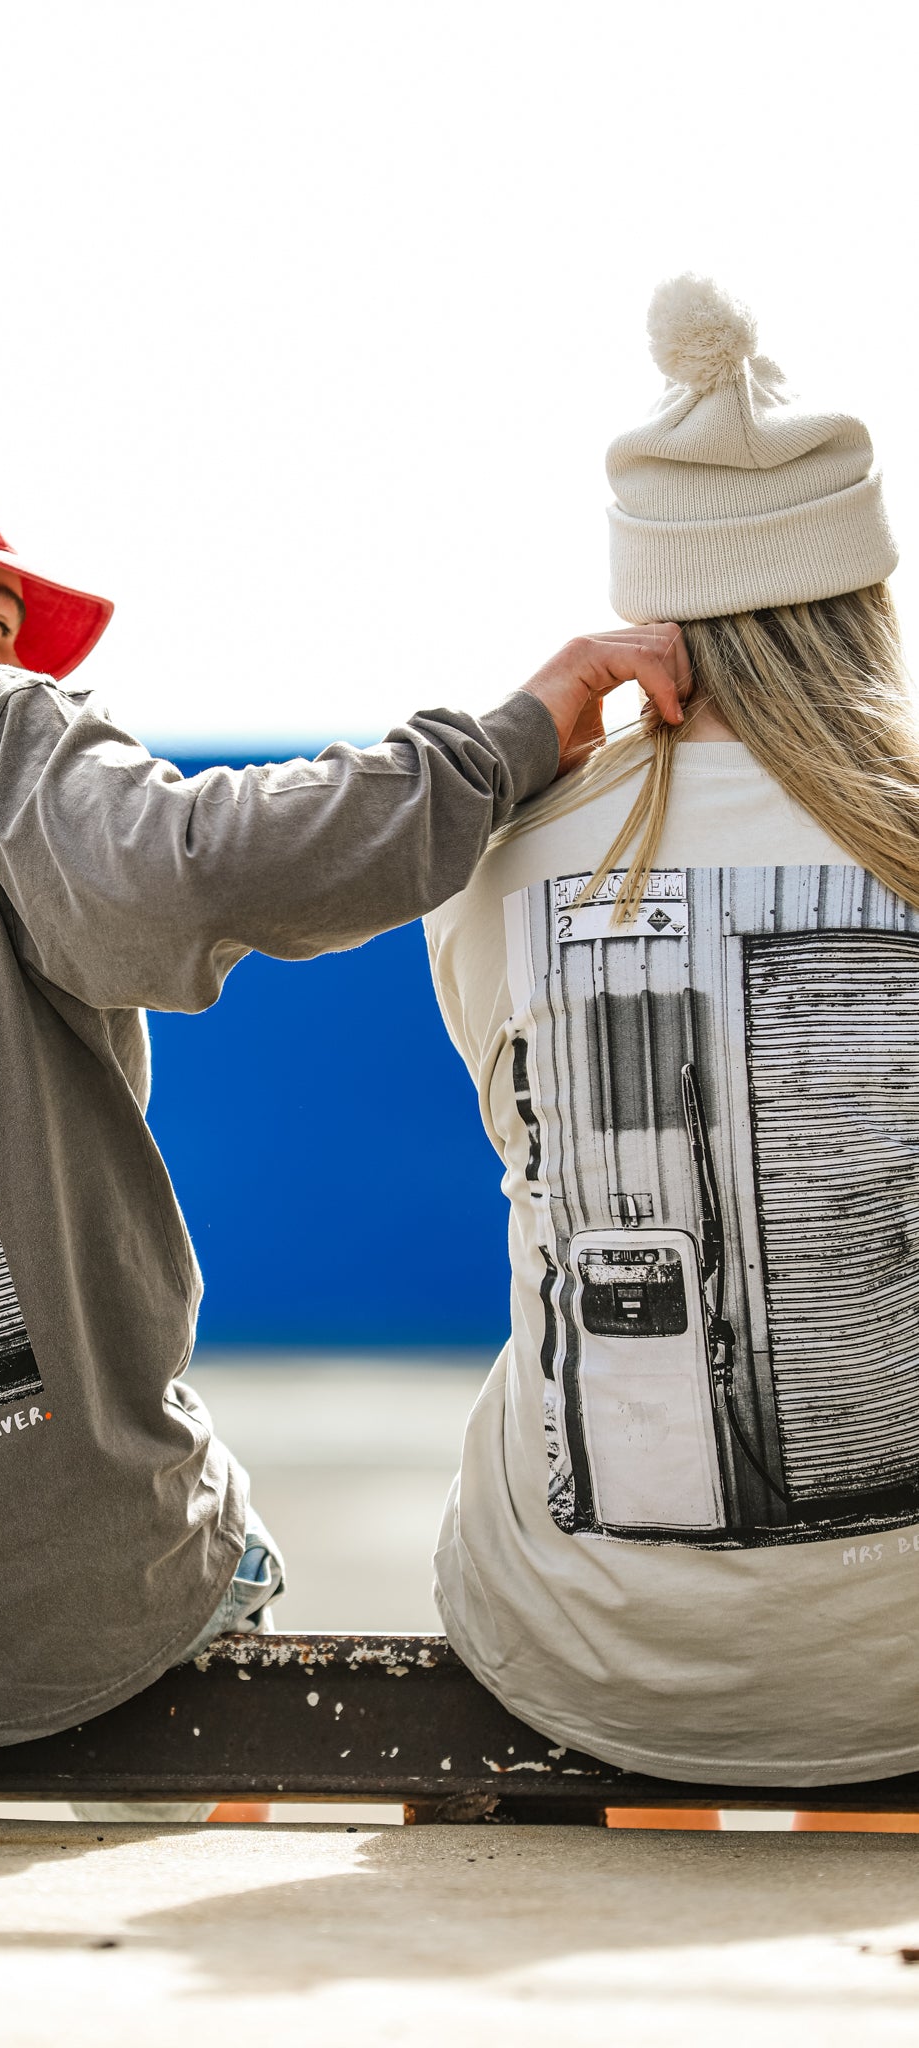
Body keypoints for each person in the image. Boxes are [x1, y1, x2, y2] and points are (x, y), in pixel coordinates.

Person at [0, 440, 683, 1818]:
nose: (20, 658)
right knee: (205, 1532)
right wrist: (513, 736)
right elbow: (215, 863)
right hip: (79, 1607)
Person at [425, 275, 919, 1827]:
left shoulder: (510, 853)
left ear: (652, 618)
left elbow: (516, 1129)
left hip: (592, 1653)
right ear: (863, 598)